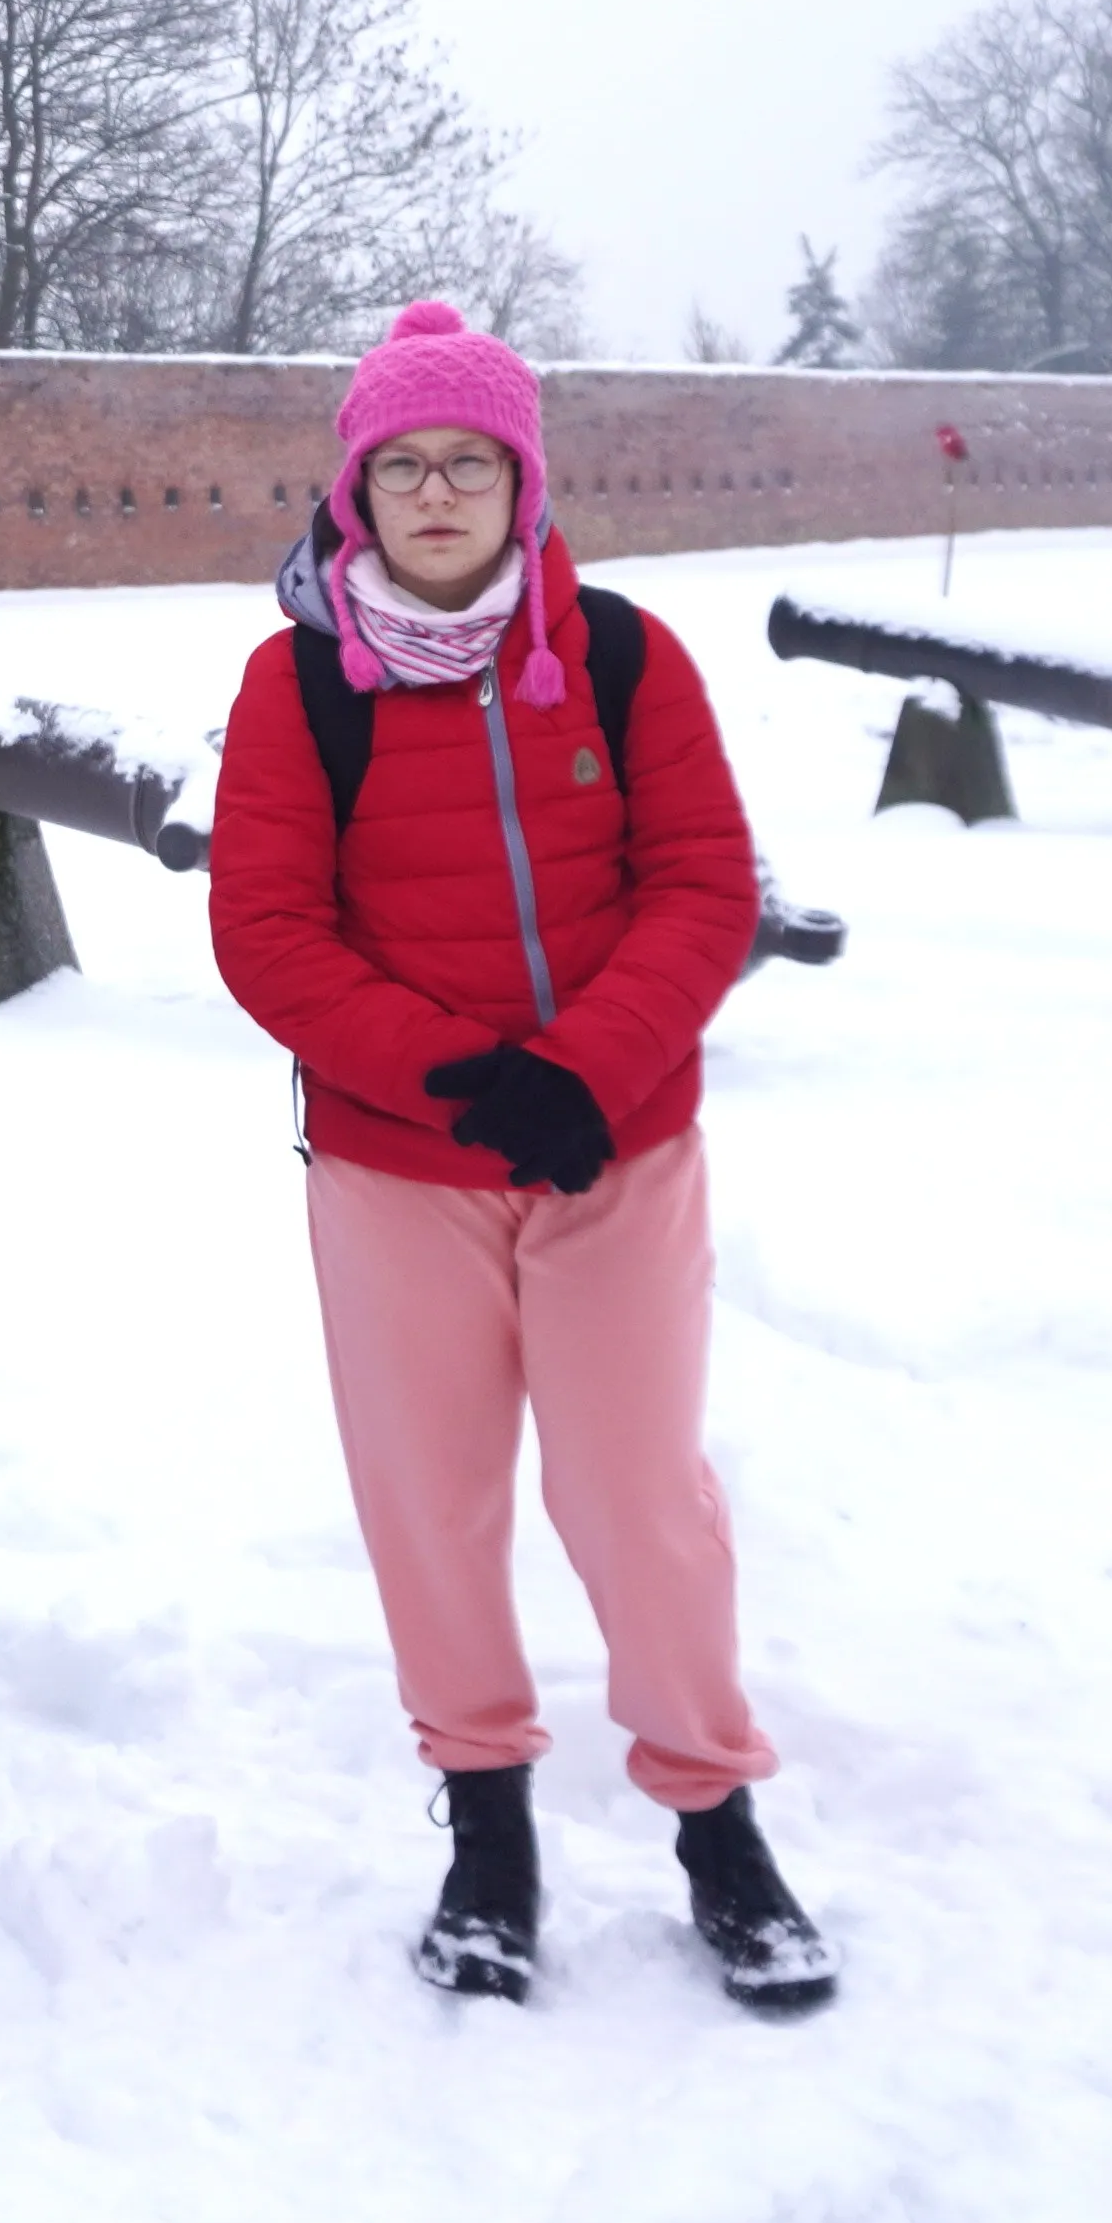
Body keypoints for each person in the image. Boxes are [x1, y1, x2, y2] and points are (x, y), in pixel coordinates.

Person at [201, 301, 839, 2018]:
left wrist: (584, 1072)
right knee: (431, 1501)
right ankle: (489, 1829)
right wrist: (466, 1078)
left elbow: (706, 884)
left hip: (616, 1156)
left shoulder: (622, 660)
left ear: (519, 481)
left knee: (639, 1499)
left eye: (465, 464)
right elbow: (266, 930)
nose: (431, 494)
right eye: (399, 467)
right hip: (399, 1168)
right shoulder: (299, 685)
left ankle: (717, 1821)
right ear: (354, 492)